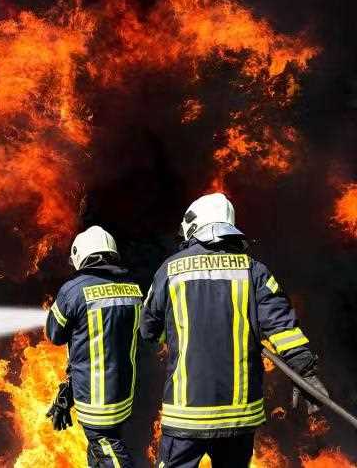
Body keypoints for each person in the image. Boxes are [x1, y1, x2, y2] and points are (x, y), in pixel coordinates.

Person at [141, 192, 329, 467]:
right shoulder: (254, 271)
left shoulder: (169, 270)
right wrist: (305, 372)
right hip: (239, 417)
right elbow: (282, 327)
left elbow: (148, 329)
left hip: (186, 413)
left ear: (193, 224)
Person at [46, 226, 142, 468]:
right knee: (98, 452)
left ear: (81, 255)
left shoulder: (73, 290)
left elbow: (54, 334)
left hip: (95, 398)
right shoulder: (132, 287)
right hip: (124, 392)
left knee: (105, 445)